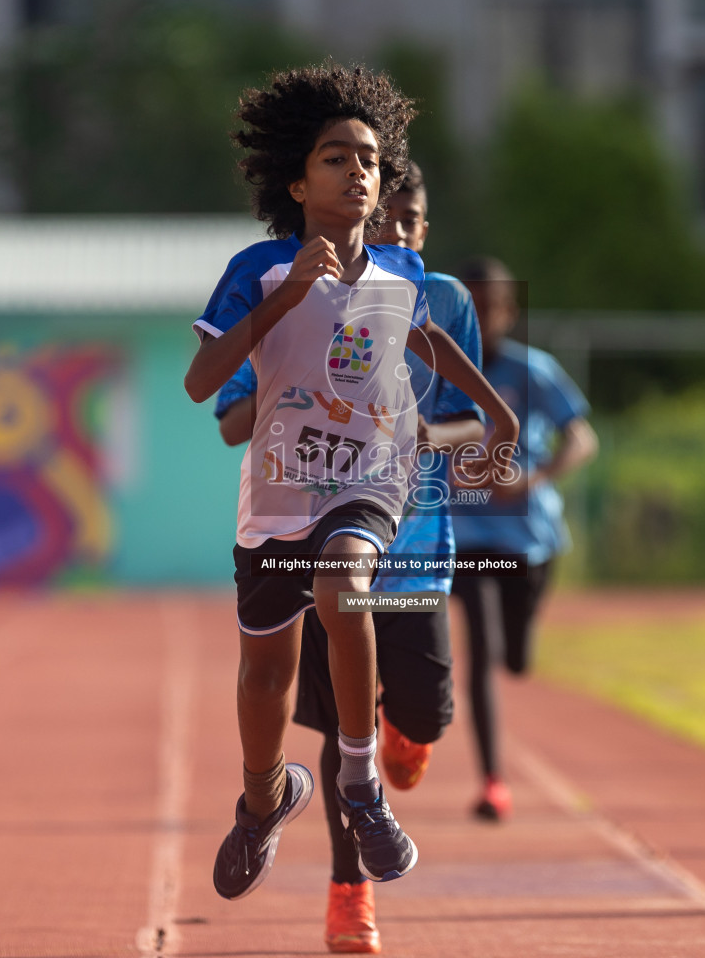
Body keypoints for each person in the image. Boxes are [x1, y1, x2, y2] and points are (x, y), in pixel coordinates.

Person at [183, 63, 519, 904]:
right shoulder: (258, 267)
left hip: (367, 480)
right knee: (266, 681)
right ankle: (266, 800)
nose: (358, 171)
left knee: (346, 585)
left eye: (369, 158)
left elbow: (431, 344)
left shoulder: (402, 277)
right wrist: (283, 301)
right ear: (296, 182)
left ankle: (361, 789)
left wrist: (495, 413)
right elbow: (200, 383)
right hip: (276, 497)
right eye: (336, 158)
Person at [213, 161, 483, 953]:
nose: (393, 230)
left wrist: (414, 429)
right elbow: (232, 419)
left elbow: (472, 422)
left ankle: (406, 739)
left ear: (423, 229)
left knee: (419, 724)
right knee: (341, 726)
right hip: (319, 536)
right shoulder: (297, 287)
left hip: (416, 552)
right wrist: (307, 361)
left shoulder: (441, 302)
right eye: (383, 215)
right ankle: (348, 894)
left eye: (409, 219)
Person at [450, 256, 597, 821]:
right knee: (479, 652)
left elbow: (582, 439)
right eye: (469, 305)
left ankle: (517, 648)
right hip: (466, 535)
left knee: (515, 658)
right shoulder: (435, 372)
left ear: (509, 312)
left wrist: (532, 480)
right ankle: (493, 781)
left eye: (490, 306)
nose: (480, 316)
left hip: (529, 540)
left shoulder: (533, 371)